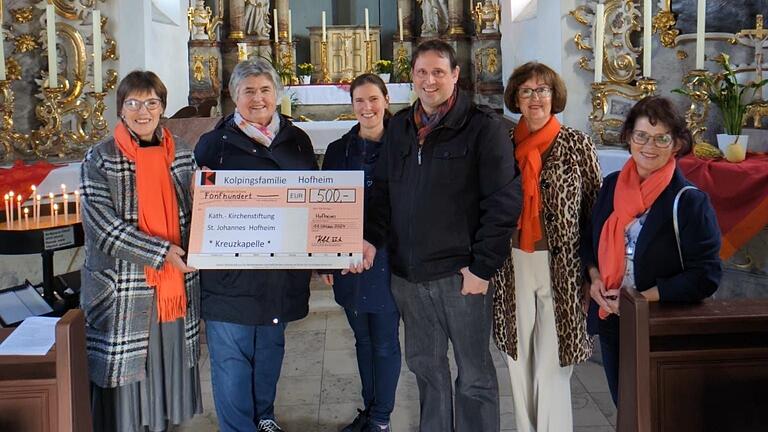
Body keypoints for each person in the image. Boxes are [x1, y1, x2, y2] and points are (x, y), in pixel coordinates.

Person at [350, 39, 521, 432]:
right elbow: (384, 196)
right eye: (422, 72)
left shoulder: (483, 128)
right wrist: (371, 238)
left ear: (456, 75)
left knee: (474, 375)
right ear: (411, 76)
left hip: (461, 277)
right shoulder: (401, 130)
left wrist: (481, 268)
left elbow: (504, 204)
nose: (430, 81)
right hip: (409, 278)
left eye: (439, 72)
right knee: (427, 371)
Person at [194, 58, 317, 432]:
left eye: (265, 90)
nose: (258, 98)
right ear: (234, 97)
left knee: (268, 352)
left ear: (277, 95)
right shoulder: (212, 144)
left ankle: (264, 416)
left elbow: (315, 200)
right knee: (232, 360)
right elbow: (196, 203)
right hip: (229, 274)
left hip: (279, 272)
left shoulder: (297, 140)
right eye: (249, 91)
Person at [81, 70, 202, 431]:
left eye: (151, 102)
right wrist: (162, 252)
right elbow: (103, 228)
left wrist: (203, 237)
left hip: (173, 288)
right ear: (121, 109)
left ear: (163, 107)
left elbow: (197, 212)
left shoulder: (181, 153)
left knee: (168, 367)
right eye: (132, 102)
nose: (142, 110)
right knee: (127, 383)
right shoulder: (99, 158)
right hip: (123, 287)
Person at [584, 96, 722, 404]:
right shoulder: (612, 185)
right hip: (613, 319)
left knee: (658, 410)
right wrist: (594, 280)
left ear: (676, 144)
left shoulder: (689, 201)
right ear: (629, 138)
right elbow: (589, 242)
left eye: (662, 139)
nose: (649, 146)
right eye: (642, 136)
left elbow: (706, 275)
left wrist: (641, 298)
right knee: (626, 407)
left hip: (659, 322)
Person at [490, 62, 602, 432]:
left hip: (564, 265)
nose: (535, 98)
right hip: (513, 262)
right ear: (516, 99)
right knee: (518, 355)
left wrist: (592, 270)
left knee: (554, 361)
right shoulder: (502, 146)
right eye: (527, 91)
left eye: (543, 90)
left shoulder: (576, 143)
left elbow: (594, 210)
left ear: (555, 96)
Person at [321, 73, 401, 432]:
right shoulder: (340, 149)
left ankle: (382, 417)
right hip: (347, 259)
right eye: (359, 101)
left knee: (384, 340)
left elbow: (404, 203)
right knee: (362, 338)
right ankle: (369, 410)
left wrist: (374, 240)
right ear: (351, 105)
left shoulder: (404, 146)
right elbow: (324, 204)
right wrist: (323, 257)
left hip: (387, 257)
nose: (367, 107)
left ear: (386, 100)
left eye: (373, 99)